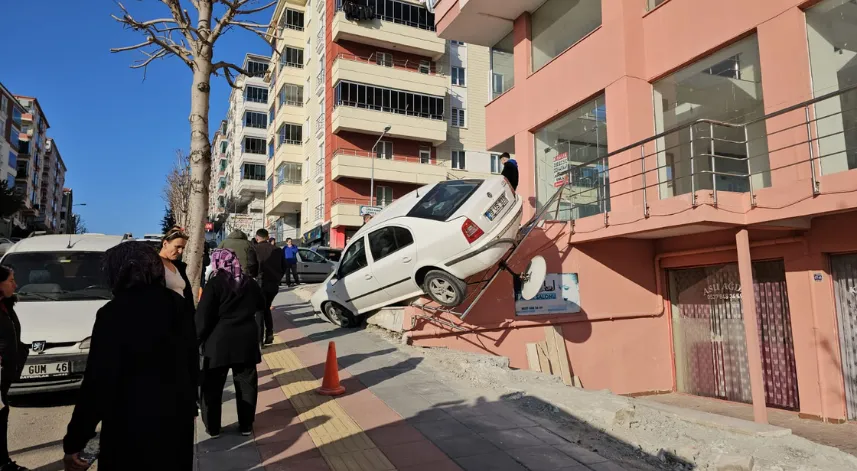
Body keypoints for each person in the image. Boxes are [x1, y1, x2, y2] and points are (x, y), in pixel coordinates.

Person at [62, 242, 197, 471]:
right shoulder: (179, 306)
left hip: (128, 427)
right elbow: (192, 362)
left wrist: (75, 440)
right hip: (175, 422)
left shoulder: (112, 313)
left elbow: (98, 382)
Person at [196, 249, 266, 438]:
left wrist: (196, 340)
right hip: (246, 342)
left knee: (212, 386)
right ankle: (245, 425)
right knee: (246, 385)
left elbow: (203, 317)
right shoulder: (249, 282)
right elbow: (261, 306)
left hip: (219, 343)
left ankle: (213, 427)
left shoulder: (215, 283)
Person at [0, 267, 28, 471]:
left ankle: (3, 463)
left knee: (2, 417)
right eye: (11, 280)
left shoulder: (6, 305)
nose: (15, 285)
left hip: (4, 375)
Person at [249, 229, 285, 346]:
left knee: (259, 311)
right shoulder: (277, 250)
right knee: (266, 308)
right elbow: (284, 266)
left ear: (257, 237)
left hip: (261, 283)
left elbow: (252, 267)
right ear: (268, 237)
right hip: (274, 284)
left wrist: (253, 276)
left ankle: (259, 340)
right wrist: (278, 277)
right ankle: (269, 333)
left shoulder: (254, 248)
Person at [159, 226, 194, 306]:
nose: (180, 251)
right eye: (177, 246)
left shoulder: (178, 266)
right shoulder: (154, 264)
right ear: (165, 244)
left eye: (183, 248)